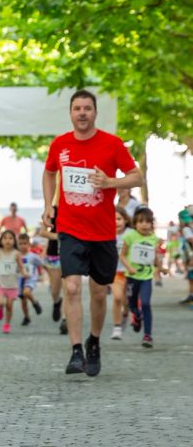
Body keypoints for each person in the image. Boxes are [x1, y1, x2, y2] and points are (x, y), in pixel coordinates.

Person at [42, 89, 142, 376]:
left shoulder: (111, 144)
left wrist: (110, 182)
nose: (82, 113)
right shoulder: (60, 144)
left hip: (102, 231)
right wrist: (49, 205)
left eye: (87, 108)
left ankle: (94, 341)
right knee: (71, 287)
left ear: (95, 113)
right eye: (77, 108)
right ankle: (76, 351)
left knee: (98, 292)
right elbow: (49, 172)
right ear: (71, 113)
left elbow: (137, 176)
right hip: (70, 228)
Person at [120, 207, 160, 348]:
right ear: (135, 223)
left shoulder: (154, 239)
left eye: (147, 222)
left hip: (146, 277)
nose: (144, 224)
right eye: (141, 221)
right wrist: (129, 267)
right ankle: (136, 316)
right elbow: (123, 255)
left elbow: (155, 257)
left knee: (146, 304)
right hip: (132, 277)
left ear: (151, 224)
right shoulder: (130, 236)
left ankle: (147, 335)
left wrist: (161, 268)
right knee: (132, 305)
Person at [0, 230, 24, 334]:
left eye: (10, 238)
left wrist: (24, 273)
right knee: (0, 302)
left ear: (14, 241)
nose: (8, 240)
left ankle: (7, 324)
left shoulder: (16, 254)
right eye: (5, 238)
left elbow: (21, 266)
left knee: (9, 306)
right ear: (1, 240)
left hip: (12, 284)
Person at [109, 208, 132, 340]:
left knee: (127, 302)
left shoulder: (131, 234)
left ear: (125, 220)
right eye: (113, 219)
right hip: (115, 272)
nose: (116, 222)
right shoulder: (107, 234)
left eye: (118, 219)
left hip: (130, 272)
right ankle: (117, 327)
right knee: (117, 297)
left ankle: (125, 314)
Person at [17, 233, 45, 324]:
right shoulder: (16, 255)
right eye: (20, 244)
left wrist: (42, 274)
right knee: (23, 301)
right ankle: (26, 317)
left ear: (29, 244)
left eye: (25, 243)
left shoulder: (32, 256)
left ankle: (35, 303)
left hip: (30, 279)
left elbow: (41, 264)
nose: (22, 246)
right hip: (19, 280)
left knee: (26, 292)